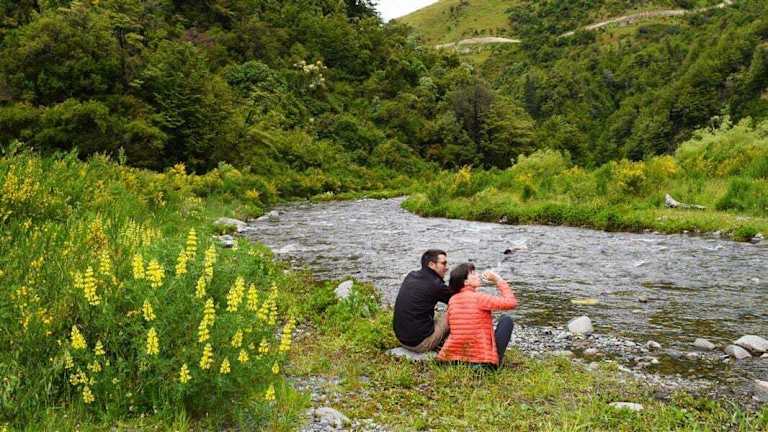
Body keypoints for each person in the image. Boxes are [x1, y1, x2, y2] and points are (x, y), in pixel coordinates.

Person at [437, 263, 517, 368]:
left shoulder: (452, 300)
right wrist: (498, 280)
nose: (477, 275)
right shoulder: (479, 298)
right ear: (465, 282)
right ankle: (496, 361)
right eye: (473, 274)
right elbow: (511, 303)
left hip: (452, 361)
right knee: (506, 320)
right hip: (482, 363)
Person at [393, 249, 453, 353]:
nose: (447, 268)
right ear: (431, 264)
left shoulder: (411, 275)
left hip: (401, 339)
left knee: (436, 311)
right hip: (420, 344)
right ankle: (454, 344)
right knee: (452, 312)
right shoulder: (436, 285)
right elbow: (458, 301)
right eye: (443, 263)